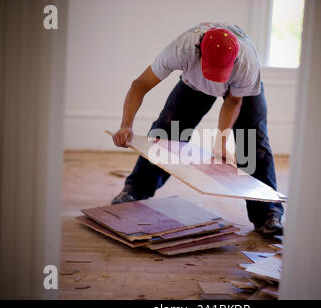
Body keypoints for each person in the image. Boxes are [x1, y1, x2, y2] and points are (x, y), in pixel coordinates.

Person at [111, 22, 284, 236]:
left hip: (241, 92)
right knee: (166, 131)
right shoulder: (180, 49)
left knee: (253, 142)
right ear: (198, 53)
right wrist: (126, 125)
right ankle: (134, 190)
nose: (215, 79)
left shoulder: (246, 65)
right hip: (193, 84)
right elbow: (140, 85)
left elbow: (232, 102)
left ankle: (268, 214)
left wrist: (221, 143)